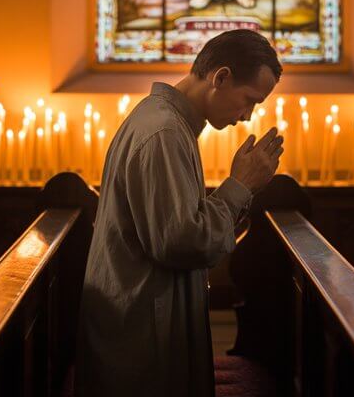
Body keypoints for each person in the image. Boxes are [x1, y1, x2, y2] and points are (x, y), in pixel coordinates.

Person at [76, 29, 285, 396]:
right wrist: (240, 185)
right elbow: (179, 242)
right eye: (249, 100)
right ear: (220, 77)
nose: (248, 116)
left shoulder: (170, 123)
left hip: (149, 324)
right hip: (144, 339)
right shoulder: (164, 132)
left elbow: (178, 225)